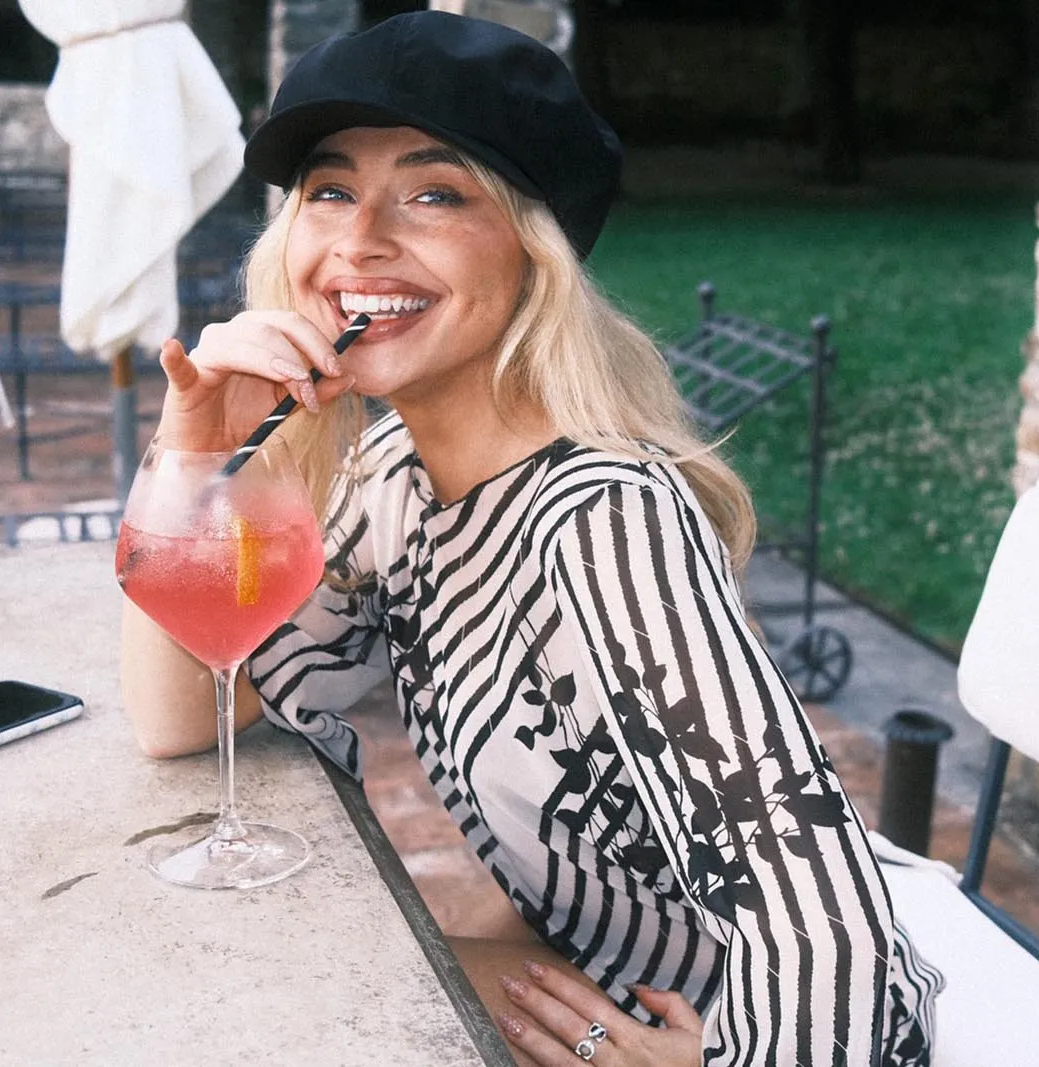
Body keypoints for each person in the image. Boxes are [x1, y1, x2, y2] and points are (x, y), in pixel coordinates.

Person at [118, 11, 941, 1066]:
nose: (360, 239)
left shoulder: (607, 525)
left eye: (435, 193)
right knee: (233, 973)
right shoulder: (394, 479)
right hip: (577, 972)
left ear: (533, 253)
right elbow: (181, 715)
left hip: (726, 1022)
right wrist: (194, 454)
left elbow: (837, 937)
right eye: (329, 190)